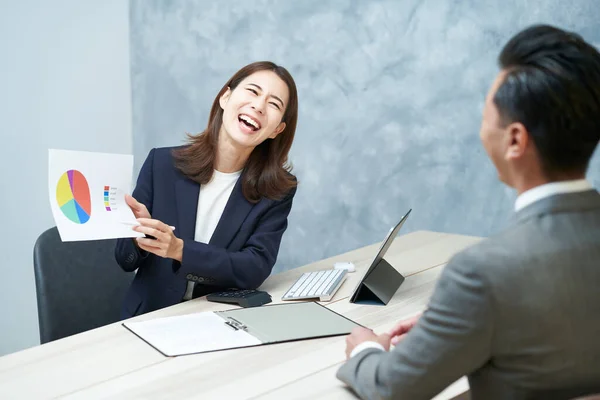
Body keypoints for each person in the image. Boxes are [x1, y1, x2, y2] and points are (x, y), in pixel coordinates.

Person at [337, 24, 600, 399]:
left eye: (486, 116)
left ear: (514, 140)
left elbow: (392, 389)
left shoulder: (482, 272)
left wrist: (365, 349)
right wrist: (457, 320)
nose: (481, 131)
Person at [115, 61, 299, 319]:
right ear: (226, 97)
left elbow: (253, 268)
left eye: (274, 104)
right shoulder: (162, 164)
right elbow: (124, 259)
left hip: (220, 322)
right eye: (253, 91)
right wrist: (138, 234)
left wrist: (179, 249)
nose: (258, 106)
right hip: (149, 318)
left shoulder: (277, 191)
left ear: (277, 129)